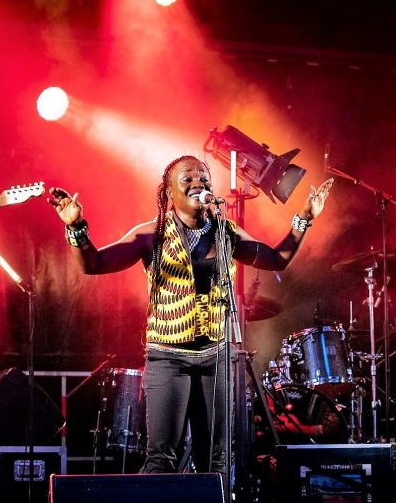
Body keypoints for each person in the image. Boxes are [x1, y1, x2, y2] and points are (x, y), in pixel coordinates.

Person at [48, 155, 333, 480]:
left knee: (217, 463)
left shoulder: (226, 232)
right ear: (169, 191)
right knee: (161, 459)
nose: (199, 182)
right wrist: (75, 226)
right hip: (168, 358)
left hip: (218, 357)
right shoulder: (150, 234)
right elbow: (94, 264)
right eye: (188, 178)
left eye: (204, 177)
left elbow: (276, 259)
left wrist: (305, 218)